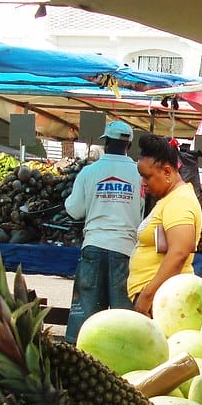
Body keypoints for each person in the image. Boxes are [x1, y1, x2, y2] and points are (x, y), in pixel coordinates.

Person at [62, 119, 143, 342]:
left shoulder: (89, 172)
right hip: (126, 251)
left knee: (86, 317)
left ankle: (79, 358)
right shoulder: (140, 175)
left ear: (106, 142)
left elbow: (75, 210)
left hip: (94, 247)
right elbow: (145, 213)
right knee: (123, 319)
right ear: (128, 145)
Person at [127, 134, 202, 316]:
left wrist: (147, 296)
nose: (143, 183)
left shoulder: (180, 202)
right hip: (160, 299)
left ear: (167, 172)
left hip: (164, 302)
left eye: (147, 177)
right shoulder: (170, 199)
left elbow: (179, 253)